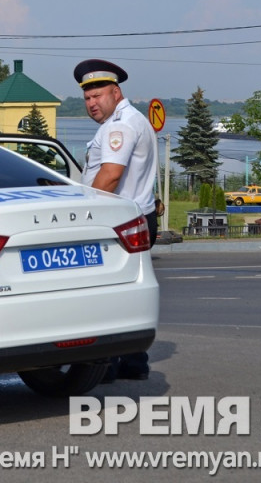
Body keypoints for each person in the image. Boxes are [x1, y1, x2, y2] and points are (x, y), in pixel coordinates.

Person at [75, 59, 158, 382]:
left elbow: (110, 177)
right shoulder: (134, 119)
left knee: (102, 293)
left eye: (98, 96)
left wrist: (84, 217)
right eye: (87, 98)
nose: (92, 104)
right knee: (125, 291)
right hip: (137, 217)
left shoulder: (119, 126)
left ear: (115, 91)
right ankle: (134, 360)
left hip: (116, 223)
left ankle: (106, 363)